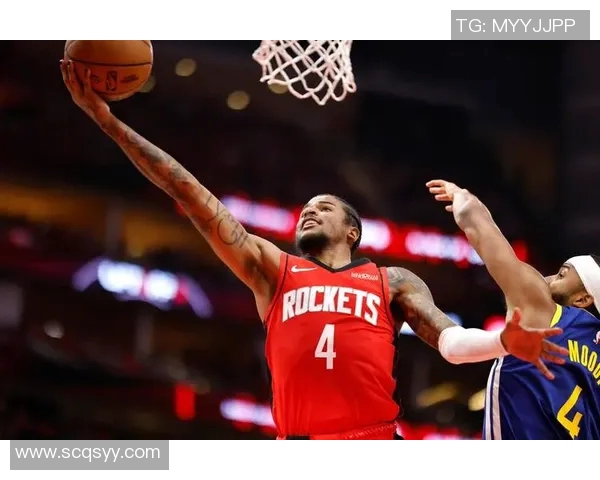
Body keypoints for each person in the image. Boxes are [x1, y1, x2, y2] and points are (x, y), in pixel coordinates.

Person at [60, 61, 567, 440]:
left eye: (324, 207)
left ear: (353, 232)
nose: (309, 211)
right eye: (306, 207)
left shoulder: (392, 281)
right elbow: (188, 192)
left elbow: (450, 344)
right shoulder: (272, 270)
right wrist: (109, 123)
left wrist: (502, 342)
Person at [427, 179, 600, 440]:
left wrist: (463, 197)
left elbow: (483, 232)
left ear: (583, 298)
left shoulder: (545, 311)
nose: (547, 279)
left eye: (561, 275)